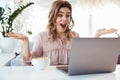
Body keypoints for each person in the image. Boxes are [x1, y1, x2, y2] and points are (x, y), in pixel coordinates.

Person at [7, 0, 117, 66]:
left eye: (68, 15)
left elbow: (87, 61)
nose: (65, 19)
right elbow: (29, 63)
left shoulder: (75, 36)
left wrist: (96, 36)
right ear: (53, 17)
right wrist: (25, 41)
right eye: (60, 15)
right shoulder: (42, 37)